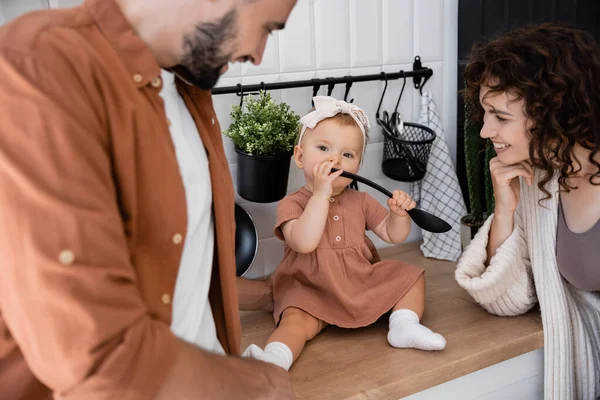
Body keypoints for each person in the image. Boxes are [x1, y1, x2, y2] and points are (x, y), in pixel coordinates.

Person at [0, 0, 298, 399]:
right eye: (268, 28)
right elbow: (102, 360)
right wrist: (258, 384)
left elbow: (185, 273)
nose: (258, 56)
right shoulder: (40, 63)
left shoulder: (188, 84)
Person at [242, 96, 446, 371]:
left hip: (357, 282)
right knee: (296, 322)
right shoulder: (293, 203)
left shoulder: (360, 201)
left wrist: (398, 216)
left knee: (410, 277)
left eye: (347, 155)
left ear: (358, 167)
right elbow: (303, 243)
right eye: (323, 148)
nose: (335, 159)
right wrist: (320, 195)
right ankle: (274, 359)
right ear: (300, 157)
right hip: (309, 289)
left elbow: (392, 235)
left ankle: (404, 325)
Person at [455, 23, 600, 399]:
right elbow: (507, 298)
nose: (485, 131)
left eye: (501, 117)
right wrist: (504, 211)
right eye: (486, 114)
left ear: (557, 114)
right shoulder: (541, 182)